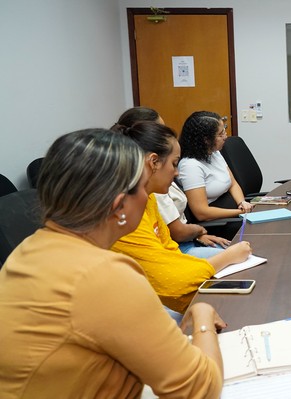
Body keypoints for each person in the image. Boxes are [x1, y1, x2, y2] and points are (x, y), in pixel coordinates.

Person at [0, 129, 225, 398]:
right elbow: (200, 389)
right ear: (120, 206)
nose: (148, 196)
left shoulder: (27, 249)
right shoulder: (104, 275)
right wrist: (202, 315)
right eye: (144, 188)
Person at [111, 121, 252, 313]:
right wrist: (227, 257)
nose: (177, 172)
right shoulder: (126, 212)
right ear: (153, 162)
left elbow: (170, 251)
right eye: (174, 164)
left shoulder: (148, 199)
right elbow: (171, 280)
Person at [115, 106, 230, 258]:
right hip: (179, 247)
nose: (177, 173)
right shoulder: (151, 191)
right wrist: (199, 231)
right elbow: (174, 238)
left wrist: (197, 235)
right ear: (153, 160)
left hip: (183, 242)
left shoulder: (151, 192)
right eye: (160, 131)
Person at [178, 111, 253, 224]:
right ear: (206, 140)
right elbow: (202, 213)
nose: (225, 136)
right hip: (219, 222)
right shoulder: (190, 166)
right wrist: (239, 212)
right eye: (221, 134)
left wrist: (242, 203)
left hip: (234, 212)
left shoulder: (213, 152)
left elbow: (232, 183)